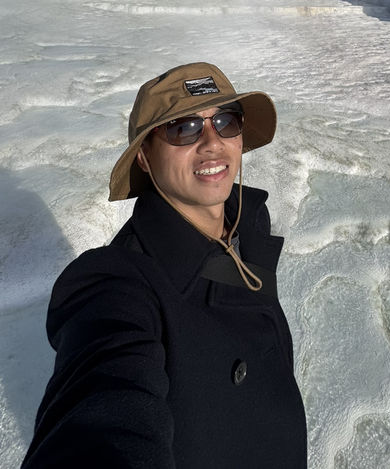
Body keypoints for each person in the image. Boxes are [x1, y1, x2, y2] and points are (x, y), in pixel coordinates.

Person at [21, 62, 307, 468]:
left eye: (226, 121)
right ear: (143, 156)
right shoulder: (116, 282)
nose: (212, 142)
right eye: (182, 128)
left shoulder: (248, 221)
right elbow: (103, 409)